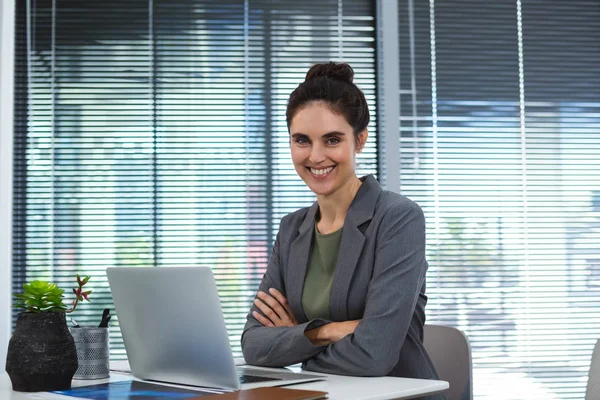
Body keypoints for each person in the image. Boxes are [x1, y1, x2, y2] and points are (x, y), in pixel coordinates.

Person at [241, 61, 442, 392]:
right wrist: (324, 331)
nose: (316, 156)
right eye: (302, 140)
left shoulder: (398, 218)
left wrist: (294, 344)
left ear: (359, 140)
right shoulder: (291, 229)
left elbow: (374, 354)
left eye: (332, 140)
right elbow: (254, 344)